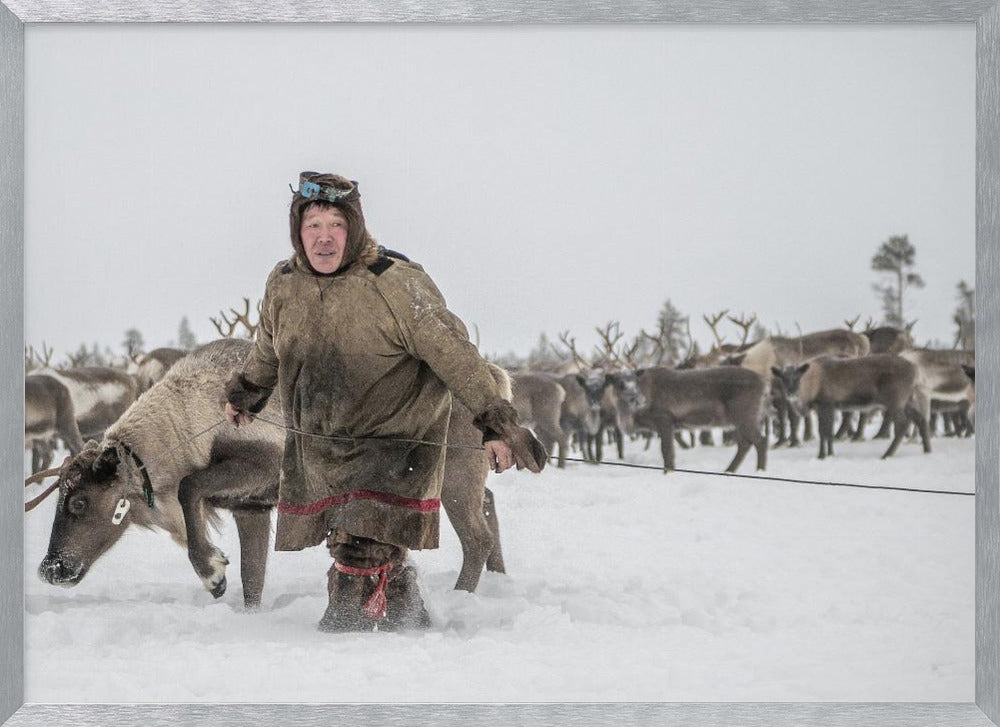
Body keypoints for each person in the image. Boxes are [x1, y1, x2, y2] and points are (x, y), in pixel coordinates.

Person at [223, 172, 546, 632]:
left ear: (354, 227)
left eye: (336, 224)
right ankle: (402, 611)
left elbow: (457, 357)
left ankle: (349, 637)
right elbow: (268, 351)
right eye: (313, 225)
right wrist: (248, 393)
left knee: (361, 548)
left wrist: (498, 425)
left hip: (396, 448)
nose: (324, 237)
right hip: (321, 450)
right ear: (297, 230)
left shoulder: (395, 283)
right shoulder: (284, 284)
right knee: (360, 544)